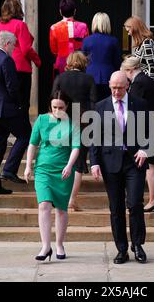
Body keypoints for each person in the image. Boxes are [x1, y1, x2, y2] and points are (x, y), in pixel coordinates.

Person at [90, 71, 150, 264]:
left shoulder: (140, 104)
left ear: (127, 85)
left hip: (134, 161)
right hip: (110, 162)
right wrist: (95, 162)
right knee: (116, 208)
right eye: (113, 87)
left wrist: (145, 149)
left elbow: (152, 129)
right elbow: (94, 138)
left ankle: (138, 245)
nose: (116, 91)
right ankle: (122, 249)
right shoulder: (100, 107)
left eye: (120, 88)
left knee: (135, 204)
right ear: (109, 85)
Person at [24, 90, 80, 261]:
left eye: (60, 107)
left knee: (62, 210)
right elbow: (33, 144)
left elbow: (76, 147)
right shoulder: (41, 120)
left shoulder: (72, 124)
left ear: (67, 106)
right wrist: (28, 166)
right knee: (44, 205)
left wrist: (70, 166)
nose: (57, 110)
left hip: (63, 169)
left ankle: (59, 244)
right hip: (43, 169)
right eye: (54, 107)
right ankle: (45, 246)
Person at [0, 31, 31, 194]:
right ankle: (9, 169)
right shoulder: (6, 59)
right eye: (14, 45)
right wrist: (20, 105)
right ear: (7, 44)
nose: (14, 48)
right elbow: (12, 86)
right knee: (25, 135)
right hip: (5, 108)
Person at [121, 55, 154, 212]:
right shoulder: (144, 80)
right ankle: (152, 199)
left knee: (149, 164)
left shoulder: (139, 83)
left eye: (125, 72)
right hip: (152, 124)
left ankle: (153, 200)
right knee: (149, 163)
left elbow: (133, 106)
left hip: (150, 126)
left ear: (130, 70)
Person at [52, 51, 98, 211]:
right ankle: (72, 199)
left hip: (63, 120)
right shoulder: (89, 79)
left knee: (61, 158)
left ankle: (59, 196)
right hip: (84, 121)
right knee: (78, 162)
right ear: (83, 63)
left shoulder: (60, 78)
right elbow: (94, 102)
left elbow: (54, 98)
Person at [0, 0, 41, 116]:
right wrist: (38, 60)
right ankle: (22, 131)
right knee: (23, 103)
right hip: (20, 69)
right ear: (18, 9)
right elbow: (26, 49)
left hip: (2, 68)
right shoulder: (20, 25)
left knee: (7, 101)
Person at [82, 12, 121, 101]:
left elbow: (83, 61)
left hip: (90, 75)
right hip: (109, 76)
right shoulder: (113, 41)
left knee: (92, 104)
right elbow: (117, 62)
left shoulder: (87, 40)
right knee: (107, 105)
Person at [49, 0, 89, 75]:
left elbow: (54, 50)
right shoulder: (83, 26)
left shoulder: (54, 28)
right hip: (79, 64)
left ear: (60, 11)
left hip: (61, 64)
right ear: (75, 11)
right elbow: (86, 47)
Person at [124, 16, 154, 87]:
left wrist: (149, 84)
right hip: (142, 81)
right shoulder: (140, 44)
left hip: (148, 83)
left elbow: (151, 66)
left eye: (128, 31)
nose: (128, 34)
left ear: (135, 29)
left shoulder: (147, 43)